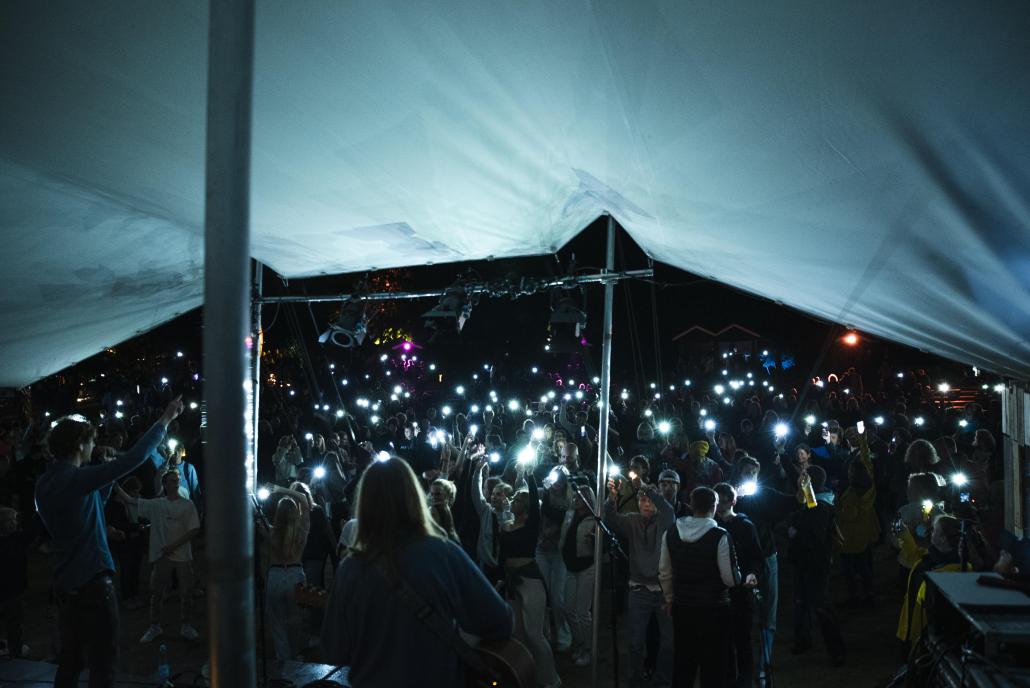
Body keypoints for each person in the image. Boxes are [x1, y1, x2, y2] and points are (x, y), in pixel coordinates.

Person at [320, 456, 514, 687]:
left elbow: (334, 650)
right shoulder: (443, 553)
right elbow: (499, 621)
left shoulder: (349, 570)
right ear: (415, 497)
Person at [35, 396, 183, 688]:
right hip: (92, 583)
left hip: (66, 583)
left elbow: (89, 508)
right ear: (79, 446)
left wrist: (101, 477)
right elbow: (133, 459)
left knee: (71, 660)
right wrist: (165, 419)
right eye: (90, 442)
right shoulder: (75, 479)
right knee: (104, 662)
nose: (94, 446)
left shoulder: (45, 483)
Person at [659, 486, 740, 688]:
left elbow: (664, 571)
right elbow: (730, 579)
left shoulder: (671, 532)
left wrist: (669, 598)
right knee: (713, 667)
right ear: (714, 507)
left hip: (683, 607)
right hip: (714, 610)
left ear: (691, 505)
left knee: (683, 664)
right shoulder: (720, 536)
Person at [116, 469, 201, 643]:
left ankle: (186, 625)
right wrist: (114, 482)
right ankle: (155, 625)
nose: (176, 483)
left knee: (186, 591)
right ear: (164, 484)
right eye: (171, 480)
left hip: (182, 555)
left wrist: (173, 546)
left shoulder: (187, 505)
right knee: (157, 591)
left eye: (176, 480)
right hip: (163, 555)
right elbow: (131, 500)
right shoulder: (157, 505)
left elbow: (194, 529)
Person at [604, 479, 675, 687]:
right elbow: (611, 519)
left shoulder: (665, 520)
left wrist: (648, 489)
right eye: (642, 500)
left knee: (669, 643)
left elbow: (668, 509)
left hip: (664, 591)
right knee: (635, 642)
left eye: (649, 501)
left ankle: (662, 681)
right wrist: (612, 498)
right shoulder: (632, 520)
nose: (645, 504)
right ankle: (634, 681)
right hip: (638, 590)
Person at [497, 464, 561, 688]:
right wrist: (500, 577)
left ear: (525, 506)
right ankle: (526, 679)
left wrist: (530, 476)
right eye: (513, 500)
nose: (513, 502)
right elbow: (501, 555)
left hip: (530, 579)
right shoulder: (505, 525)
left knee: (535, 634)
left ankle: (551, 681)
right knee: (518, 635)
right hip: (511, 580)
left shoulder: (531, 524)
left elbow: (535, 501)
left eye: (517, 501)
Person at [787, 466, 846, 666]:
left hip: (815, 563)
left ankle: (836, 650)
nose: (798, 480)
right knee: (801, 602)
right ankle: (803, 639)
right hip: (803, 561)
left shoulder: (819, 506)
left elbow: (815, 536)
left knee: (821, 605)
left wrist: (795, 532)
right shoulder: (809, 502)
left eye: (802, 478)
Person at [714, 483, 762, 688]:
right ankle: (728, 680)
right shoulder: (710, 526)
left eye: (725, 499)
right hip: (718, 593)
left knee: (742, 640)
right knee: (722, 642)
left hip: (741, 591)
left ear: (733, 501)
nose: (722, 503)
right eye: (719, 499)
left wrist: (752, 574)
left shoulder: (745, 525)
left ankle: (744, 681)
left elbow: (757, 558)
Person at [258, 482, 313, 661]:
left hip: (276, 576)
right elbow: (305, 500)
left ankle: (284, 661)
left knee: (277, 624)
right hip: (295, 576)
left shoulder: (271, 532)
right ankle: (296, 656)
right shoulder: (302, 530)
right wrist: (282, 490)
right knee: (295, 621)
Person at [559, 482, 596, 667]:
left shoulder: (595, 519)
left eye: (580, 496)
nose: (576, 499)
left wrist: (595, 541)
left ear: (589, 499)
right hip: (569, 566)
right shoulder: (569, 514)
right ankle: (580, 643)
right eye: (575, 496)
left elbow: (600, 548)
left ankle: (589, 648)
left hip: (586, 567)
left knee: (582, 612)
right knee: (568, 609)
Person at [0, 506, 30, 658]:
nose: (14, 523)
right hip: (10, 590)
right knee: (14, 624)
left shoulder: (17, 538)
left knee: (15, 626)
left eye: (15, 519)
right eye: (10, 520)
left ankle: (15, 654)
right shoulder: (16, 540)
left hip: (14, 591)